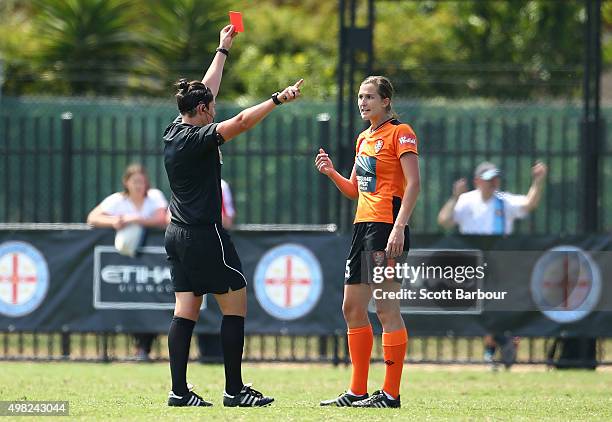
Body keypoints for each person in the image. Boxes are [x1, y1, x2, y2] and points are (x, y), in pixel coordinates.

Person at [163, 23, 303, 408]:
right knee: (236, 300)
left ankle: (178, 392)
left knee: (186, 309)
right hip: (204, 233)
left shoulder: (175, 130)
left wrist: (222, 49)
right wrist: (276, 99)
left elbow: (208, 90)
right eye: (212, 106)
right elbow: (239, 122)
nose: (215, 108)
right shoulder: (199, 136)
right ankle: (234, 389)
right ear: (204, 110)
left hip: (175, 233)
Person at [315, 76, 420, 408]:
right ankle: (357, 391)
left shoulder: (400, 133)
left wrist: (400, 227)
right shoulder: (364, 137)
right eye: (360, 97)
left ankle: (390, 394)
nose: (363, 102)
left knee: (387, 309)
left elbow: (414, 184)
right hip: (363, 227)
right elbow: (355, 190)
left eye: (370, 97)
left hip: (385, 227)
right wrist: (332, 172)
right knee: (352, 308)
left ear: (386, 101)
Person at [437, 160, 548, 368]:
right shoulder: (466, 201)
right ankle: (501, 344)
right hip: (472, 264)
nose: (494, 183)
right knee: (480, 309)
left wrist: (538, 181)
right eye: (489, 179)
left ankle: (496, 350)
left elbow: (529, 203)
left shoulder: (503, 201)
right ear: (477, 181)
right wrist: (455, 196)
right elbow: (444, 220)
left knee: (499, 306)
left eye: (496, 178)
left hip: (501, 264)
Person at [87, 163, 169, 360]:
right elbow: (93, 217)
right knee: (125, 303)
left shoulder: (155, 196)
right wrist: (114, 221)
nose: (139, 185)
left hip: (153, 263)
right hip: (124, 262)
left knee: (150, 304)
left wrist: (134, 219)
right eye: (135, 181)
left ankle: (144, 348)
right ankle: (109, 351)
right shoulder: (117, 200)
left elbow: (161, 218)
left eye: (142, 181)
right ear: (126, 182)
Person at [197, 179, 236, 362]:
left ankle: (178, 388)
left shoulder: (220, 185)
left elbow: (227, 219)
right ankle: (233, 387)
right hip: (200, 243)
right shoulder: (191, 175)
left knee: (187, 308)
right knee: (233, 307)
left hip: (204, 241)